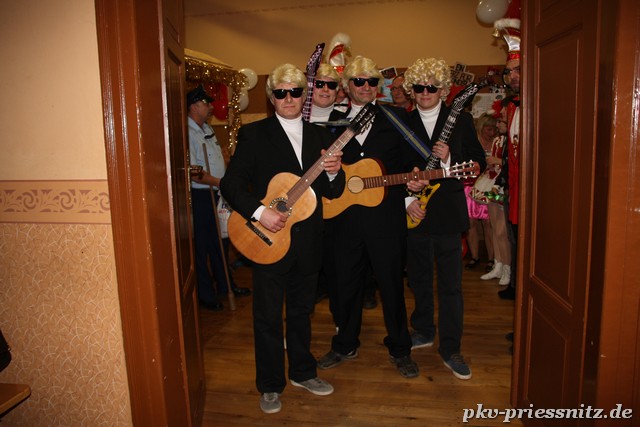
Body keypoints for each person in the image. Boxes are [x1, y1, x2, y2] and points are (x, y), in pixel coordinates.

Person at [220, 63, 345, 414]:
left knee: (303, 312)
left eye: (295, 91)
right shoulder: (254, 134)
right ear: (271, 97)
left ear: (304, 96)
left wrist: (334, 172)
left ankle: (303, 372)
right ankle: (271, 384)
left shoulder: (321, 136)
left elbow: (333, 191)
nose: (288, 98)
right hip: (267, 240)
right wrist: (260, 212)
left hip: (309, 242)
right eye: (281, 92)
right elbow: (231, 184)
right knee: (268, 316)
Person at [317, 56, 421, 379]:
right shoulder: (332, 123)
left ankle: (400, 348)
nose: (365, 87)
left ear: (379, 86)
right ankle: (345, 343)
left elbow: (412, 163)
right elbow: (323, 172)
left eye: (371, 81)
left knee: (391, 287)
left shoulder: (396, 118)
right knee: (346, 286)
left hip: (386, 219)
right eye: (359, 81)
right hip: (344, 219)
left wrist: (413, 187)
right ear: (347, 86)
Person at [402, 58, 487, 380]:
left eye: (432, 87)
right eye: (419, 87)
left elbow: (477, 161)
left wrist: (450, 158)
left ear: (443, 90)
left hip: (449, 214)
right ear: (411, 90)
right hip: (415, 213)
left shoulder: (460, 120)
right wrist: (407, 200)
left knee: (451, 286)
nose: (425, 92)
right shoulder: (403, 122)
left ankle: (451, 348)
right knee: (419, 280)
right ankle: (423, 329)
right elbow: (393, 166)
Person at [187, 84, 250, 312]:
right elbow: (193, 171)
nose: (211, 107)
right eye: (205, 103)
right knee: (202, 246)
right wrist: (218, 182)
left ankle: (226, 285)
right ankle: (205, 294)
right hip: (201, 195)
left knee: (220, 242)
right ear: (194, 106)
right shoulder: (187, 132)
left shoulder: (206, 128)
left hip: (216, 193)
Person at [494, 18, 521, 301]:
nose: (512, 77)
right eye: (509, 72)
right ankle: (516, 285)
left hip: (530, 194)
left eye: (518, 70)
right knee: (514, 238)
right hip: (513, 190)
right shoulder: (512, 107)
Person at [479, 106, 512, 286]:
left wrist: (498, 161)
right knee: (493, 226)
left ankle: (507, 267)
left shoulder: (513, 141)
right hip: (492, 184)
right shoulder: (498, 141)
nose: (497, 125)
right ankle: (498, 264)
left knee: (501, 231)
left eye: (500, 122)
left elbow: (513, 162)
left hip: (503, 186)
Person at [465, 114, 496, 271]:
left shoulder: (497, 142)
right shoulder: (473, 140)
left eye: (494, 129)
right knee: (470, 222)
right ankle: (474, 256)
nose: (491, 132)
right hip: (470, 185)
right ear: (481, 127)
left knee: (488, 223)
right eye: (488, 129)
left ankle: (491, 258)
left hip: (489, 185)